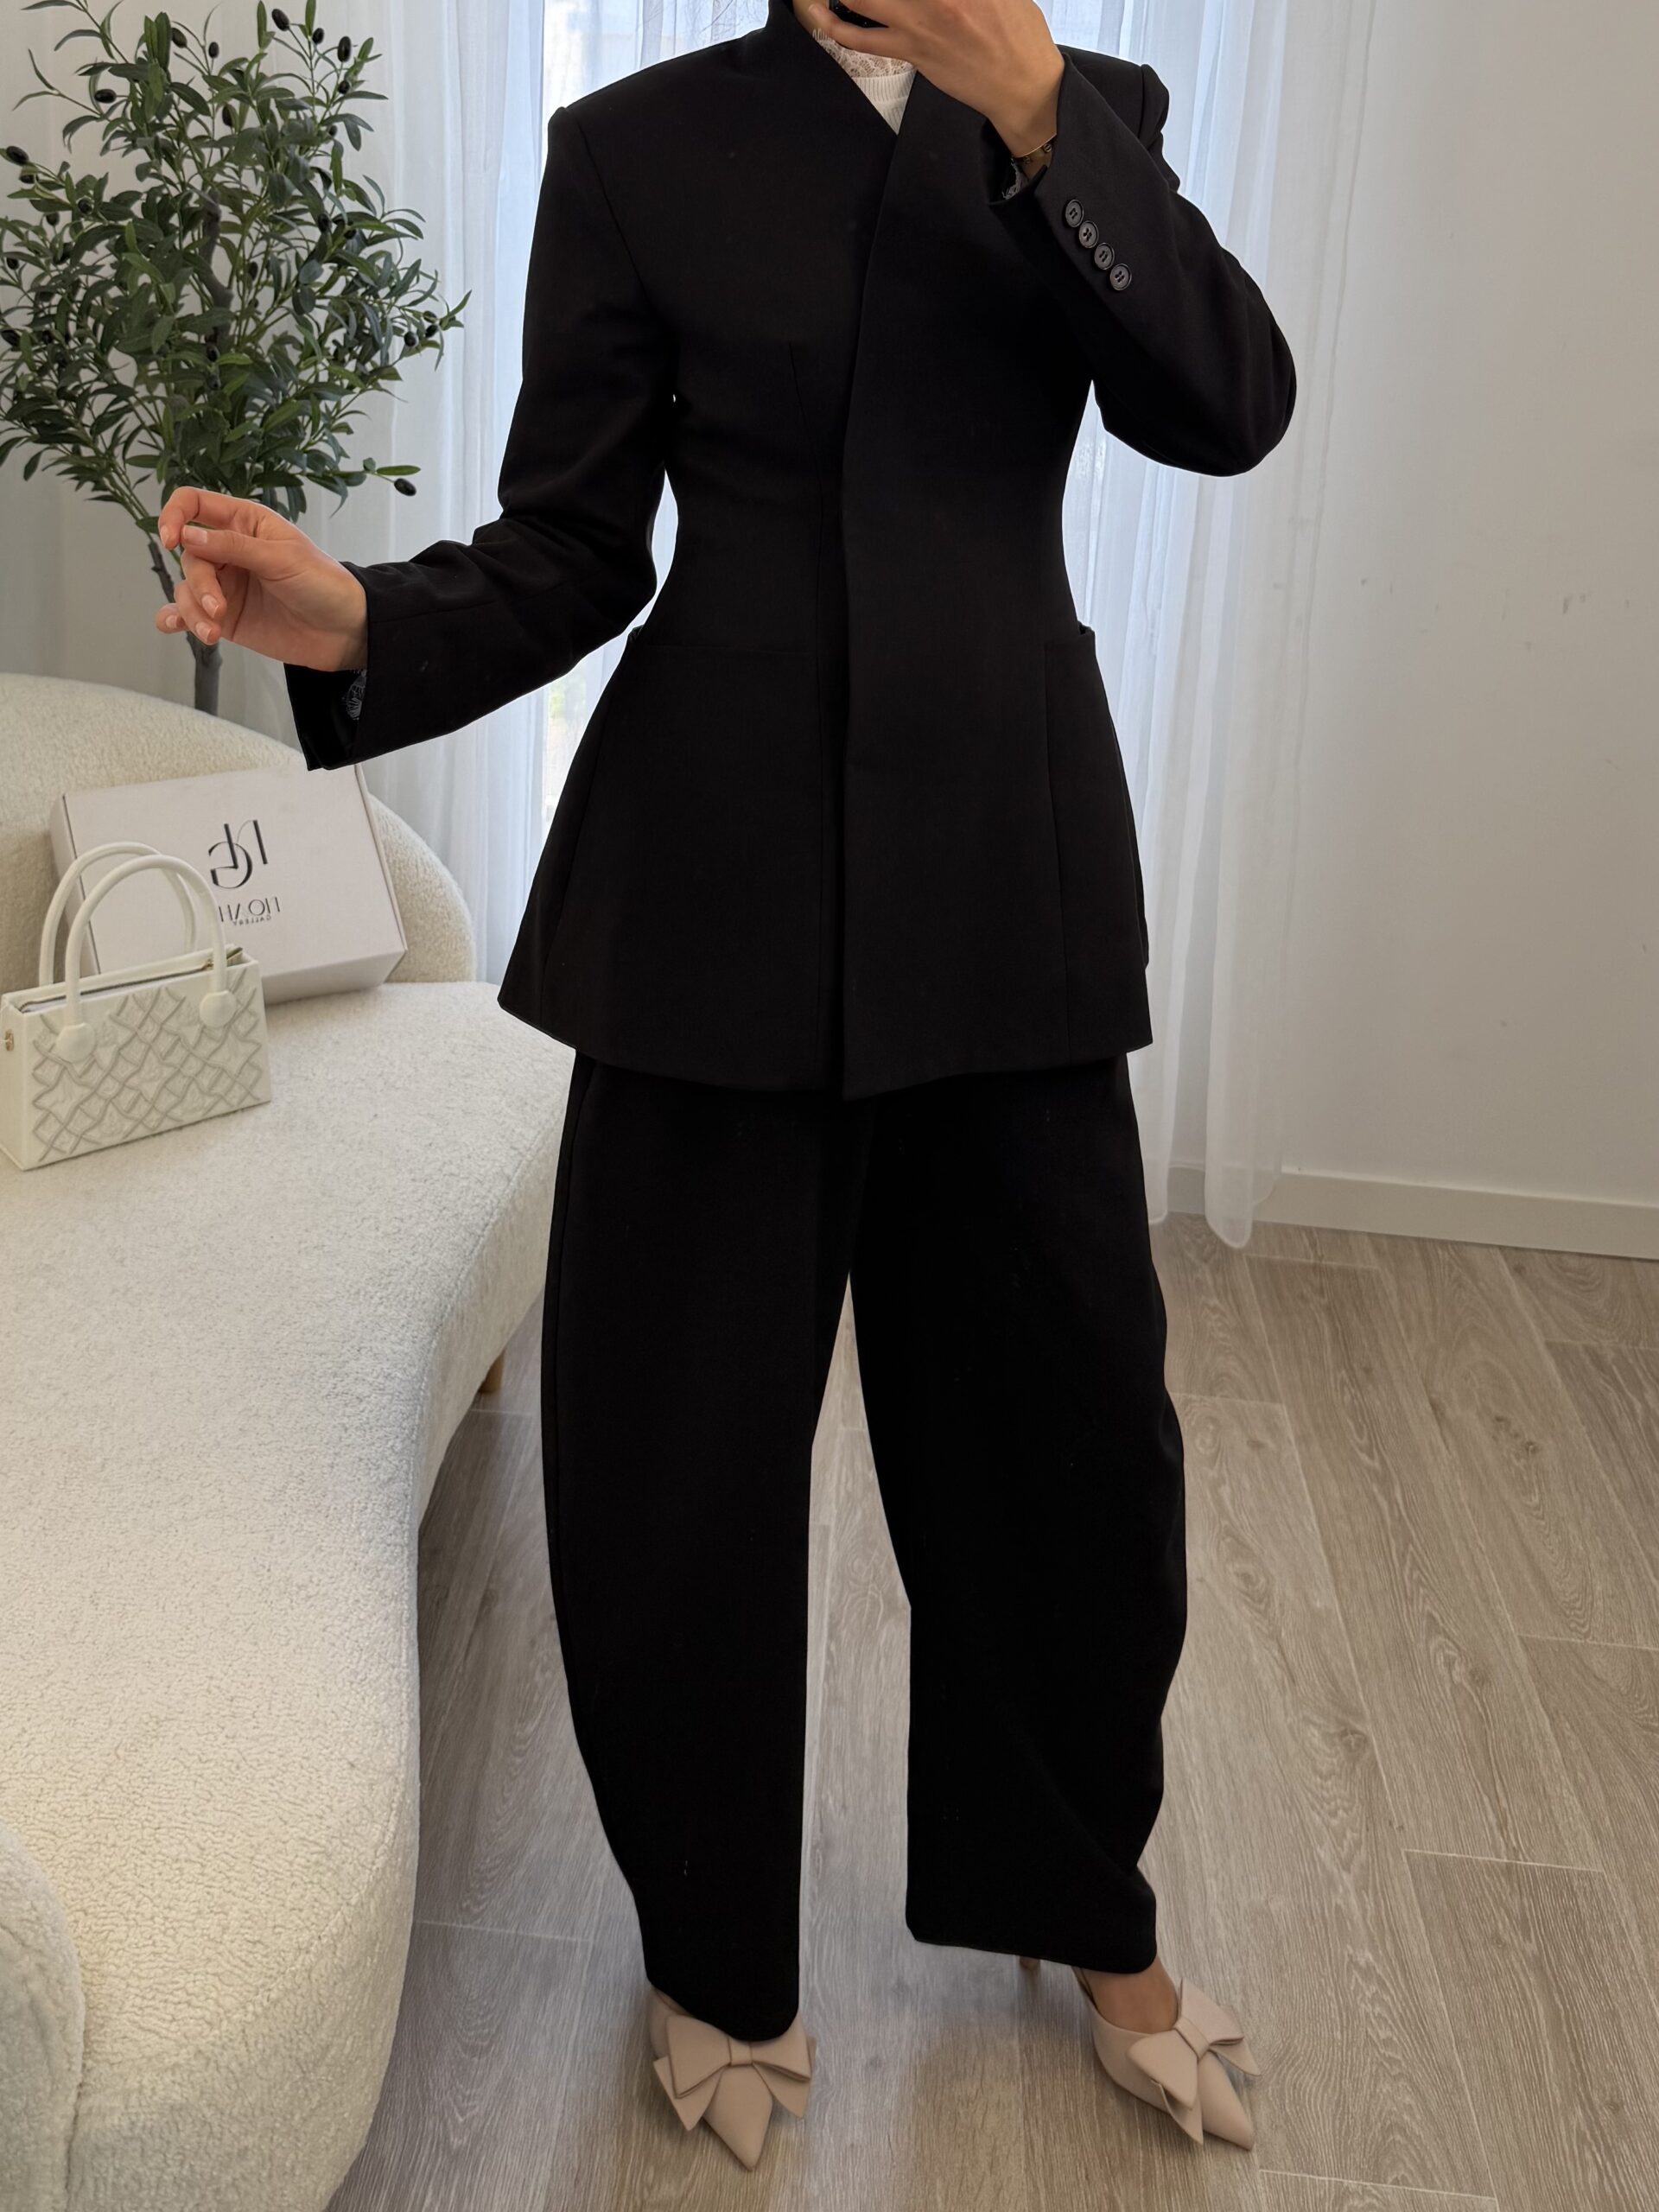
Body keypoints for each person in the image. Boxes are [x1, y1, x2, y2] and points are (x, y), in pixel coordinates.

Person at [155, 0, 1293, 2170]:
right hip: (710, 893)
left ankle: (1084, 1902)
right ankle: (715, 1949)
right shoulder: (638, 148)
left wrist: (1038, 113)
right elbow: (578, 546)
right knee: (672, 1467)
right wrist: (356, 617)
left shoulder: (1088, 112)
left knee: (1070, 1447)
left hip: (1005, 874)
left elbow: (1226, 406)